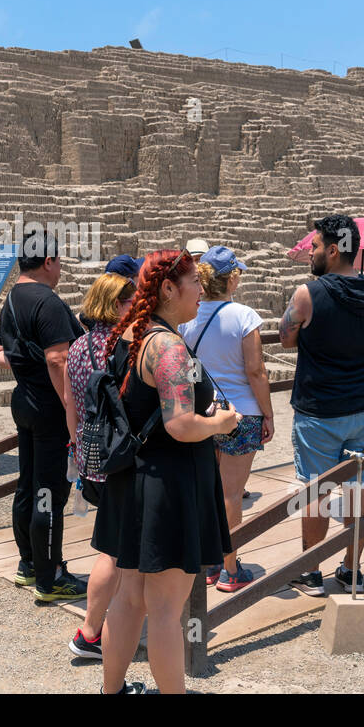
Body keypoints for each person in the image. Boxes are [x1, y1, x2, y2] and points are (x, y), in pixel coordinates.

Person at [93, 249, 239, 694]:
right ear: (169, 289)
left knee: (129, 598)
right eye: (194, 281)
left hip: (132, 481)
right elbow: (180, 424)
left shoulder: (130, 333)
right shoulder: (168, 345)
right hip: (168, 486)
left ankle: (111, 690)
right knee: (164, 610)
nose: (200, 288)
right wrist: (221, 423)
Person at [279, 215, 364, 596]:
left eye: (313, 246)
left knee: (316, 492)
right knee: (361, 490)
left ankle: (311, 572)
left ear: (331, 249)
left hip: (319, 410)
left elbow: (286, 339)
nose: (309, 252)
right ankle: (351, 568)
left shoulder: (307, 294)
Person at [0, 231, 87, 603]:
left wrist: (23, 367)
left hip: (25, 402)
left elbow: (1, 352)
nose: (61, 268)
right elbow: (57, 359)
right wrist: (71, 411)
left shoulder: (13, 298)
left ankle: (29, 564)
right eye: (59, 261)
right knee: (50, 492)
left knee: (28, 486)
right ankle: (51, 578)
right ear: (48, 261)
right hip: (50, 409)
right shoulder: (46, 302)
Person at [178, 246, 275, 592]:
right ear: (232, 278)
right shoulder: (245, 316)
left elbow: (190, 370)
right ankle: (231, 568)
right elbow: (255, 370)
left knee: (208, 489)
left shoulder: (189, 317)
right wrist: (268, 413)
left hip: (207, 412)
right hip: (241, 412)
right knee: (231, 493)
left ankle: (209, 563)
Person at [63, 271, 136, 660]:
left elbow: (71, 403)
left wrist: (77, 447)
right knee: (114, 551)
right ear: (115, 304)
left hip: (91, 453)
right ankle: (94, 631)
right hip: (120, 456)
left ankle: (111, 625)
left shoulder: (77, 347)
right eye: (130, 301)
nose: (136, 306)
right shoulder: (122, 346)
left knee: (113, 544)